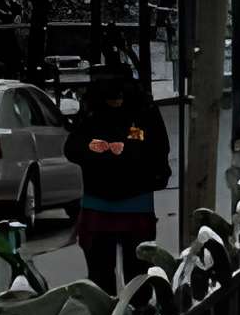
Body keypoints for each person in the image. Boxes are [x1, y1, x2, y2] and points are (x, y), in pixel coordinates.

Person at [68, 59, 172, 287]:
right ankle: (111, 307)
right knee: (102, 278)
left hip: (133, 203)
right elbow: (73, 147)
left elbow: (158, 147)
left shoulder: (142, 109)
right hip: (101, 203)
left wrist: (140, 160)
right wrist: (94, 149)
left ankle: (137, 307)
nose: (114, 98)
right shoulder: (92, 110)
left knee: (137, 277)